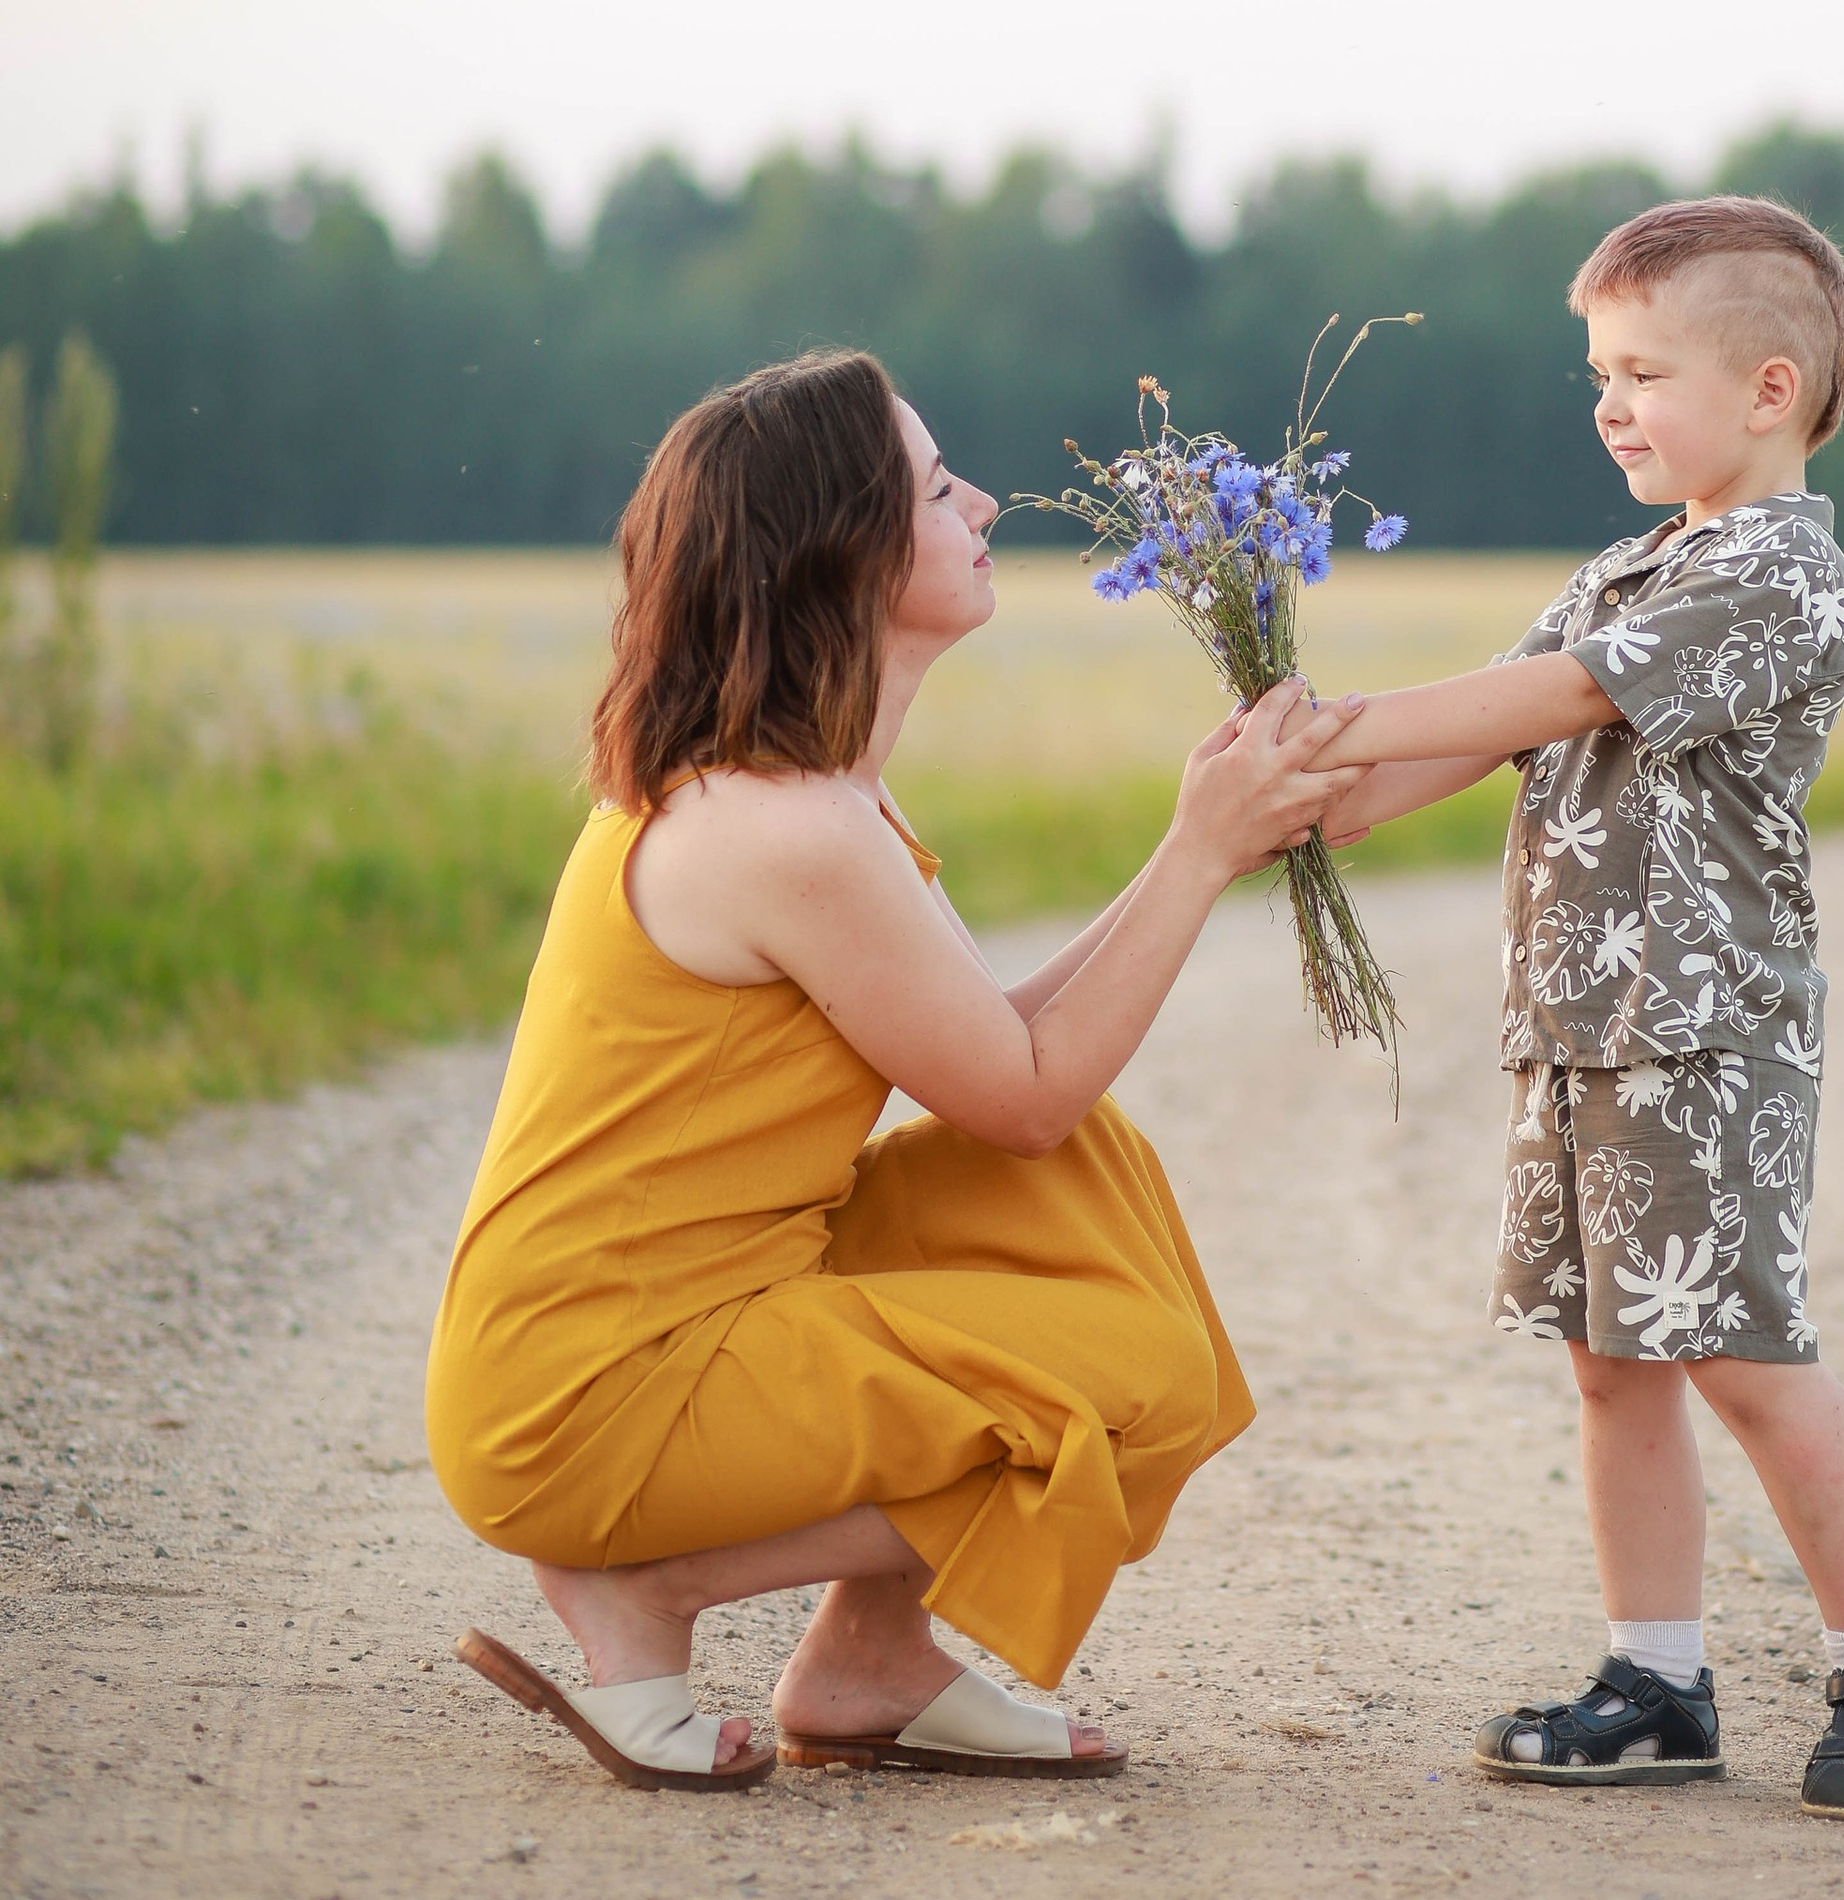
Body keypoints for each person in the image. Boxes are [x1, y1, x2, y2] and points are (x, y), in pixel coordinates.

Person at [425, 348, 1358, 1794]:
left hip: (696, 1305)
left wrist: (1211, 837)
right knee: (1133, 1380)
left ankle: (876, 1664)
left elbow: (999, 1062)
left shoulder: (815, 793)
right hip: (594, 1391)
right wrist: (1202, 850)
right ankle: (645, 1592)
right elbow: (1020, 1089)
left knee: (1085, 1185)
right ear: (844, 553)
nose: (983, 498)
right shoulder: (781, 827)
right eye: (936, 485)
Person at [1319, 196, 1844, 1819]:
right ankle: (1657, 1678)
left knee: (1741, 1349)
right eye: (1597, 369)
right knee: (1614, 1357)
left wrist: (1349, 711)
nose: (1608, 401)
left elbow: (1571, 695)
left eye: (1641, 370)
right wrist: (1324, 791)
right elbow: (1487, 737)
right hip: (1580, 1025)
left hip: (1709, 1030)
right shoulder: (1623, 563)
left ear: (1767, 390)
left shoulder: (1781, 575)